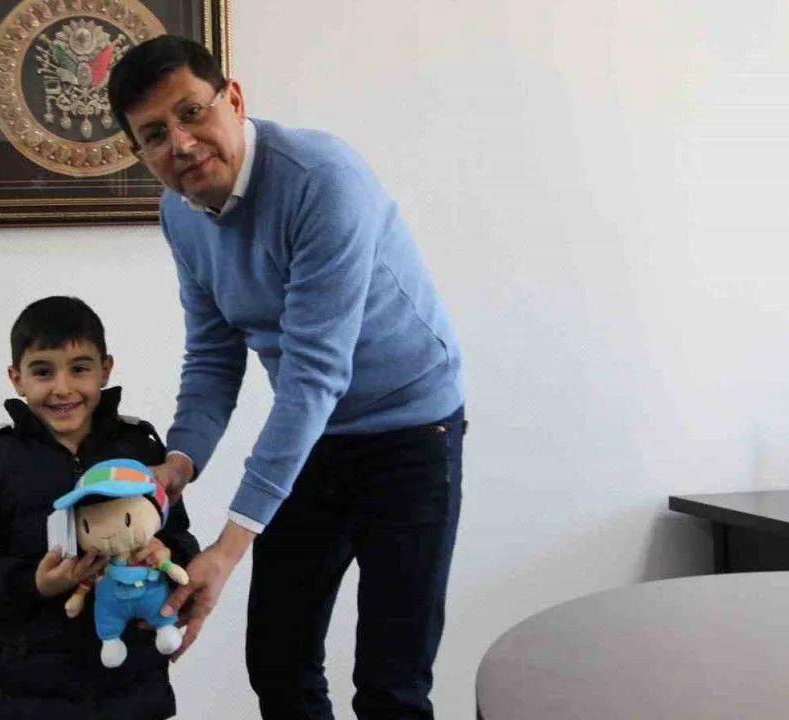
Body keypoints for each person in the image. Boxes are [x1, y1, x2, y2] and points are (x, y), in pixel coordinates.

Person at [106, 35, 467, 720]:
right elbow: (213, 355)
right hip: (313, 436)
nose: (180, 144)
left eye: (191, 112)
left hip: (412, 431)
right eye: (153, 135)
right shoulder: (179, 214)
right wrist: (178, 463)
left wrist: (228, 548)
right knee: (278, 661)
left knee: (391, 683)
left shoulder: (322, 179)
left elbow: (314, 375)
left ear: (234, 99)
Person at [0, 296, 200, 720]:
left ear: (105, 370)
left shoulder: (140, 447)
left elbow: (178, 535)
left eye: (79, 369)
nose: (62, 388)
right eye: (43, 371)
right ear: (16, 378)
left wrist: (169, 556)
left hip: (135, 685)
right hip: (31, 692)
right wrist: (35, 583)